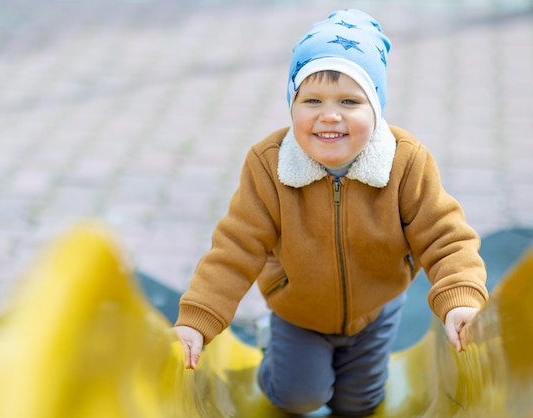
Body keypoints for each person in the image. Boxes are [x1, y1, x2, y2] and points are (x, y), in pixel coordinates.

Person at [173, 8, 488, 417]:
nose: (329, 115)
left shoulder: (405, 162)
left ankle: (348, 381)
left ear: (376, 109)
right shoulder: (270, 166)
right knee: (298, 398)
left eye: (350, 101)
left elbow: (445, 236)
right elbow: (235, 247)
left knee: (358, 405)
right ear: (292, 104)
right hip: (298, 310)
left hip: (375, 309)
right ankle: (275, 348)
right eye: (312, 100)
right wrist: (198, 319)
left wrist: (460, 295)